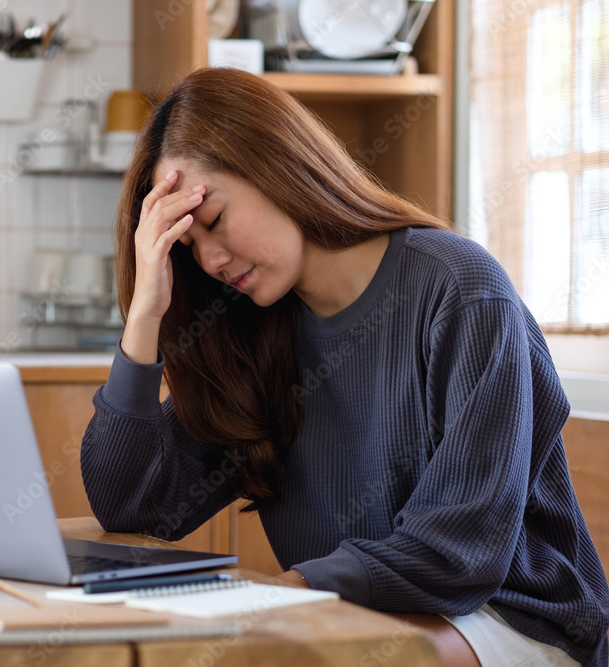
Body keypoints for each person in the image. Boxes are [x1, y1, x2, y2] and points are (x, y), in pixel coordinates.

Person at [80, 67, 609, 667]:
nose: (210, 258)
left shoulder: (459, 289)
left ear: (275, 165)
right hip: (348, 614)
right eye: (187, 246)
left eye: (215, 221)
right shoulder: (253, 331)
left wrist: (288, 593)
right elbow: (134, 506)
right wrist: (145, 313)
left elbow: (462, 547)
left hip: (508, 615)